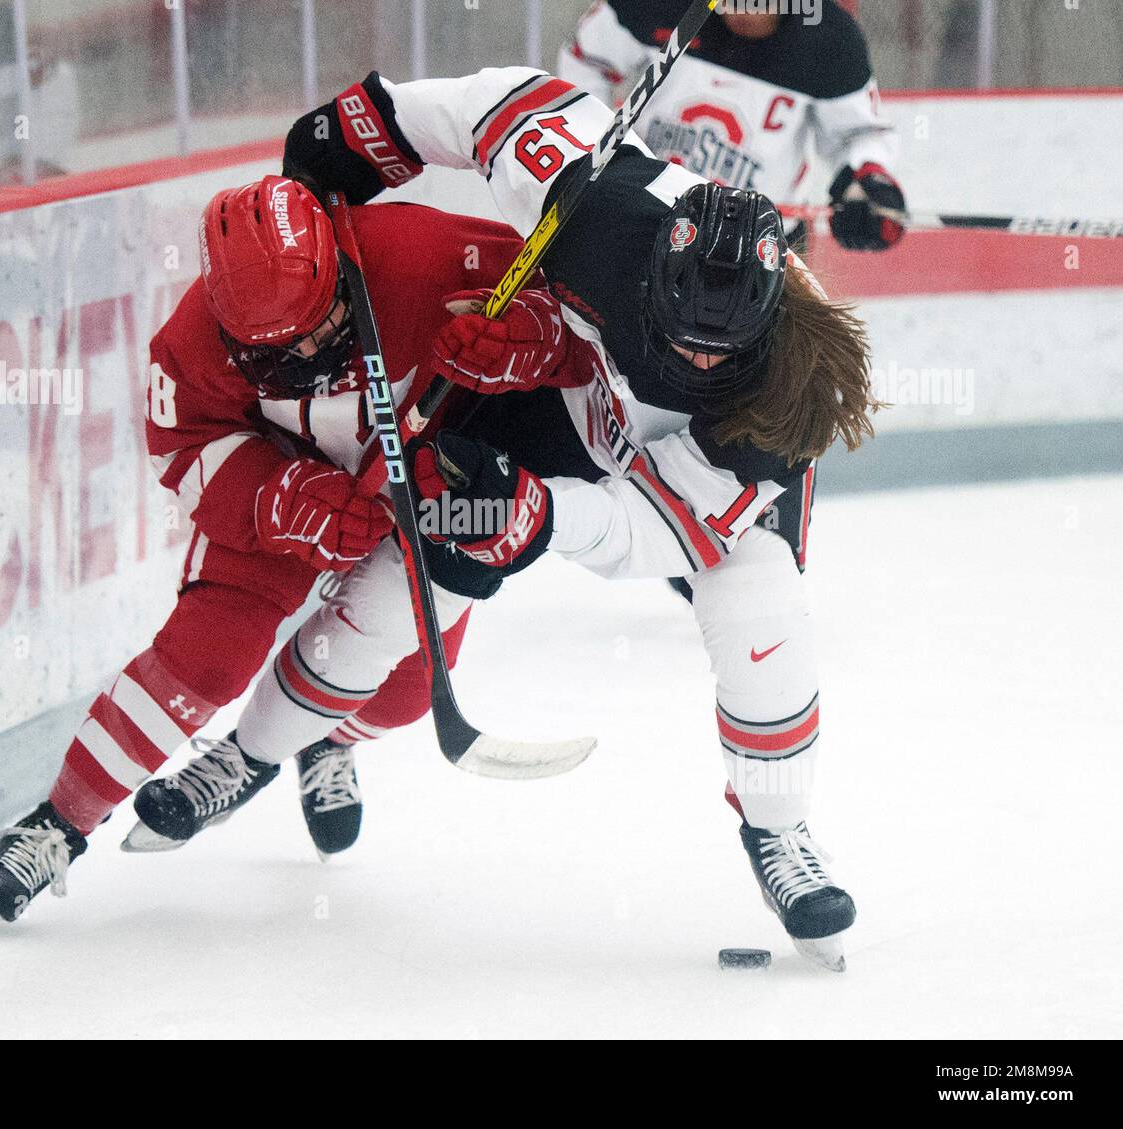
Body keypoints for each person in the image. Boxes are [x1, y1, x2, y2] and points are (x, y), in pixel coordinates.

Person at [157, 67, 878, 970]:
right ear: (652, 263)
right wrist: (363, 128)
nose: (689, 355)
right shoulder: (600, 203)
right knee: (413, 572)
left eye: (713, 352)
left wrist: (539, 517)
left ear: (766, 327)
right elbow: (495, 105)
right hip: (569, 407)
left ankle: (777, 829)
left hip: (669, 485)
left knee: (760, 615)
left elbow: (645, 530)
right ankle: (251, 753)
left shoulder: (786, 404)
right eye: (675, 329)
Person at [0, 175, 538, 933]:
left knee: (407, 691)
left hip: (420, 494)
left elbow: (562, 307)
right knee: (209, 655)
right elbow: (183, 445)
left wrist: (529, 346)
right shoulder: (191, 342)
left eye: (316, 333)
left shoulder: (428, 257)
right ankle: (54, 826)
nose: (302, 359)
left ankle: (314, 737)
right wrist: (281, 499)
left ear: (340, 270)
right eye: (271, 354)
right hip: (282, 488)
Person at [558, 0, 908, 253]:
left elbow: (859, 133)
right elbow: (586, 61)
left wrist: (866, 185)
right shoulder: (654, 6)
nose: (743, 11)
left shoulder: (829, 40)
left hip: (762, 246)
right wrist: (593, 145)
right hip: (643, 222)